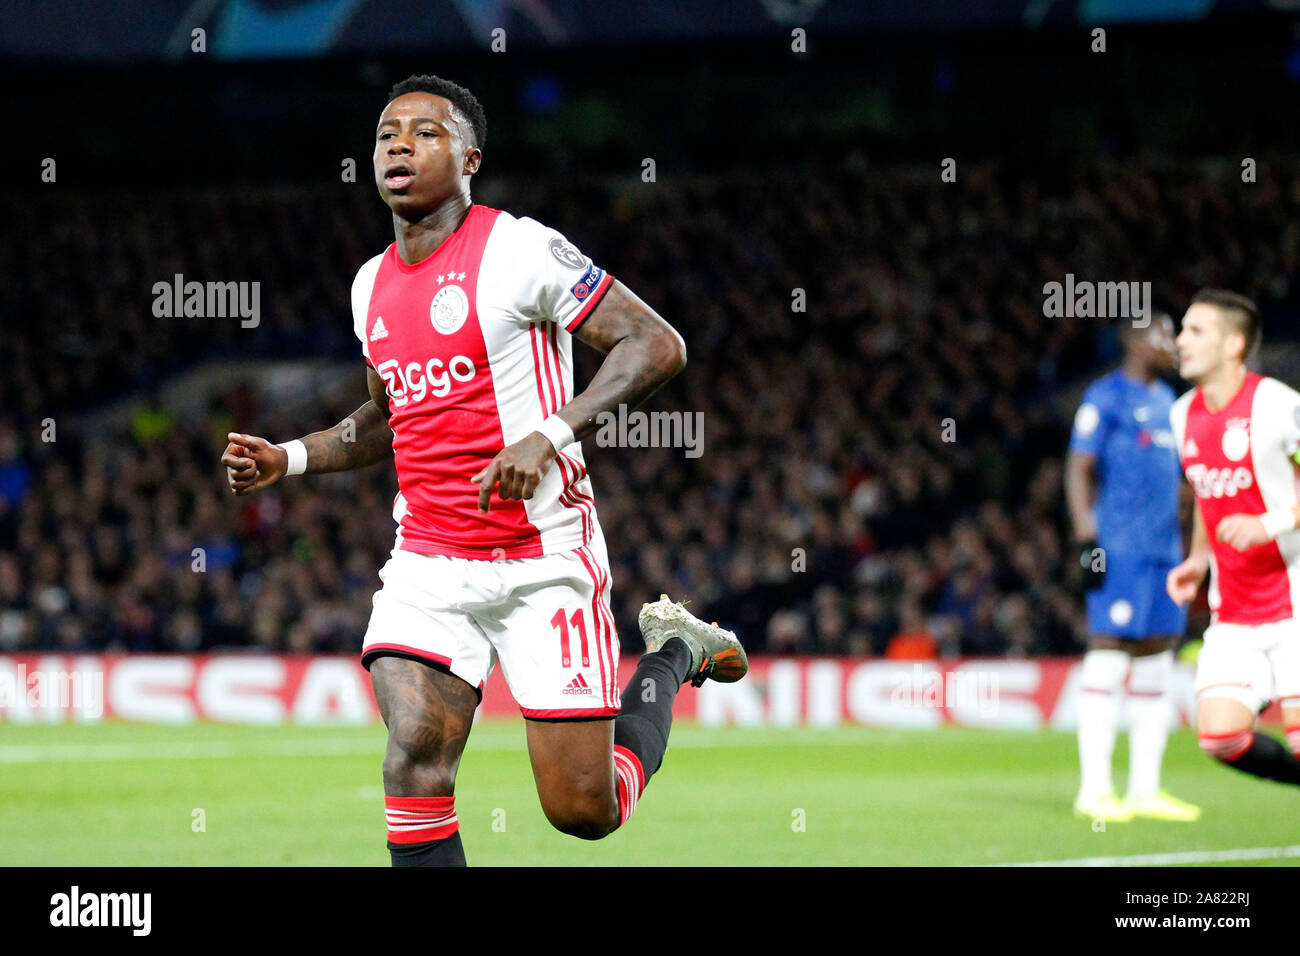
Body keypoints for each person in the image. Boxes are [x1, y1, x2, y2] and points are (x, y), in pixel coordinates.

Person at [220, 75, 747, 866]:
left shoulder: (518, 249)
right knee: (413, 760)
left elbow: (655, 343)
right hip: (430, 561)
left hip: (542, 555)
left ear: (470, 157)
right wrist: (289, 457)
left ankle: (673, 652)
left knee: (583, 812)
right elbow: (390, 417)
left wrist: (548, 432)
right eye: (386, 132)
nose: (399, 143)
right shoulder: (370, 285)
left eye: (425, 132)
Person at [1065, 313, 1200, 822]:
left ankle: (1145, 788)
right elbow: (1078, 470)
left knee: (1155, 658)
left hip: (1164, 551)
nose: (1174, 345)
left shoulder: (1169, 403)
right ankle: (1094, 790)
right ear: (1136, 342)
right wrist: (1087, 542)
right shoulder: (1105, 398)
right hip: (1118, 547)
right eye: (1165, 335)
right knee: (1109, 650)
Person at [1167, 289, 1300, 788]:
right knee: (1219, 737)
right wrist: (1198, 559)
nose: (1181, 341)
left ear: (1233, 345)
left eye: (1196, 331)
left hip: (1295, 604)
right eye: (1182, 330)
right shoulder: (1183, 414)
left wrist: (1273, 523)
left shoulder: (1277, 407)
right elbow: (1207, 492)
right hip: (1236, 611)